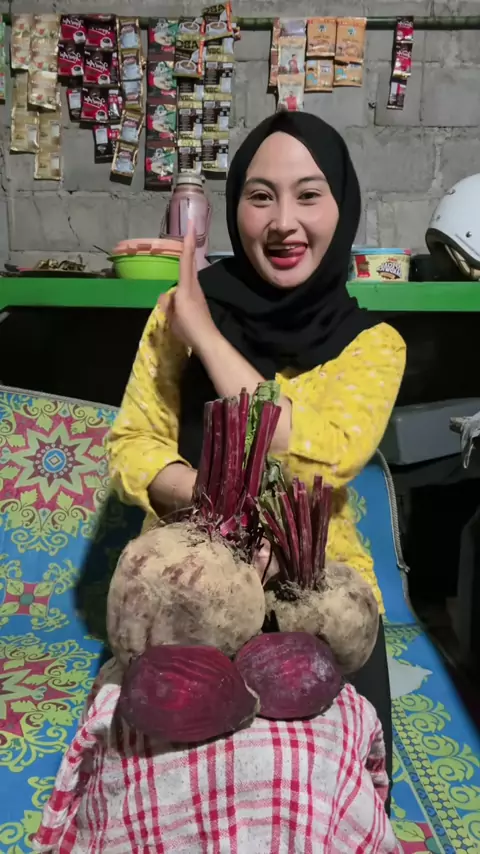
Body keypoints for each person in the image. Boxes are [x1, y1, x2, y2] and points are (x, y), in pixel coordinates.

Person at [107, 111, 406, 813]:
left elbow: (322, 460)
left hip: (317, 588)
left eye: (309, 195)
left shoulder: (373, 345)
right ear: (234, 204)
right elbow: (134, 445)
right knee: (155, 788)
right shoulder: (178, 311)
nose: (283, 223)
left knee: (342, 798)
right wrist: (211, 509)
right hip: (187, 578)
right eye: (261, 196)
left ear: (342, 205)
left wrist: (209, 339)